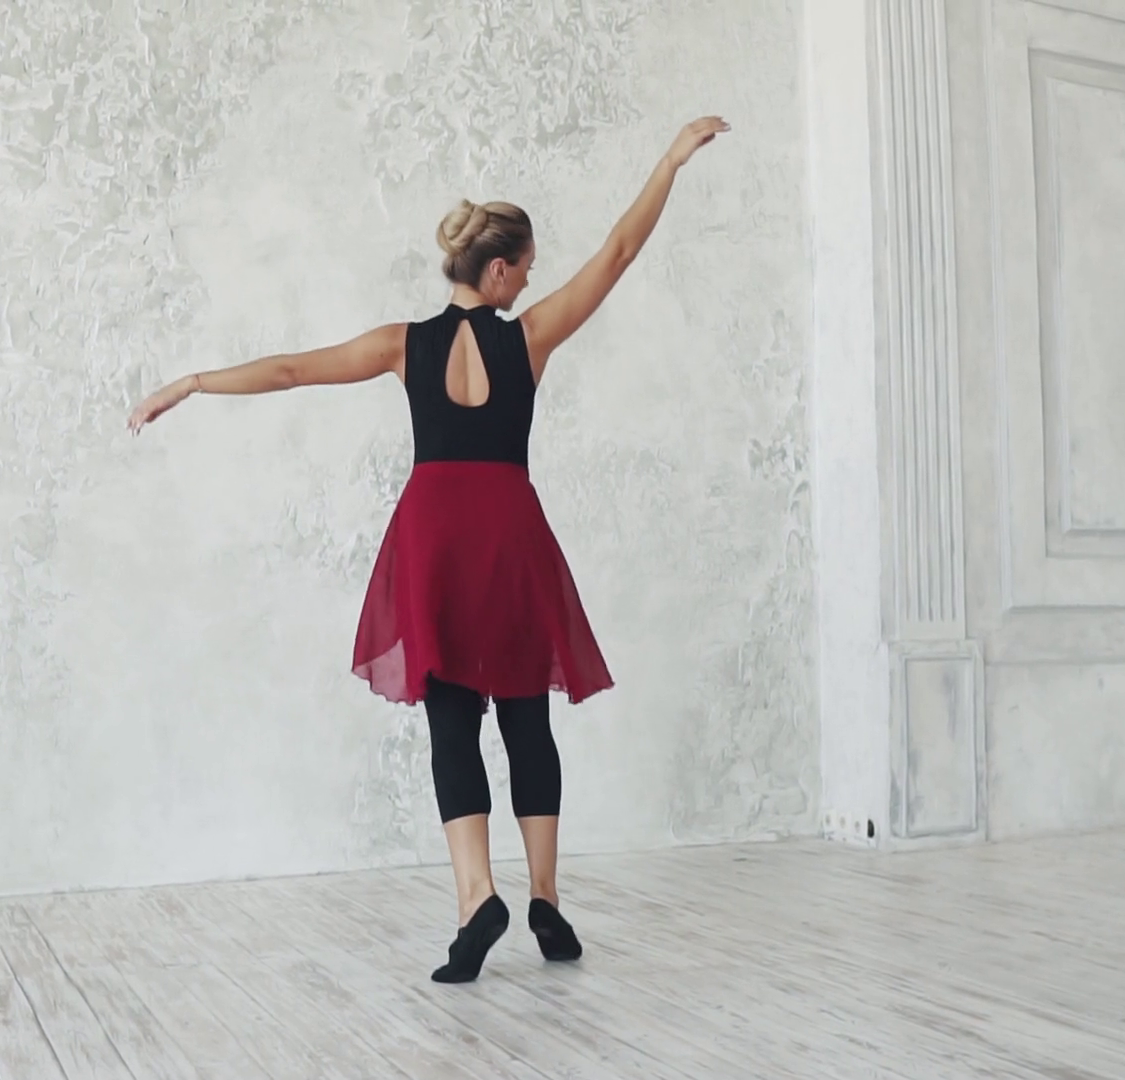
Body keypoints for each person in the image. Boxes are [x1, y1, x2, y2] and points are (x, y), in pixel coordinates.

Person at [127, 116, 730, 982]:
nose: (534, 277)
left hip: (435, 537)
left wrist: (192, 382)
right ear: (498, 270)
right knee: (526, 717)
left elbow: (293, 370)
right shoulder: (529, 337)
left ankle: (475, 898)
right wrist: (669, 161)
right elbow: (622, 250)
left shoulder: (402, 346)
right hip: (509, 534)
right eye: (528, 265)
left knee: (452, 719)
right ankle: (545, 900)